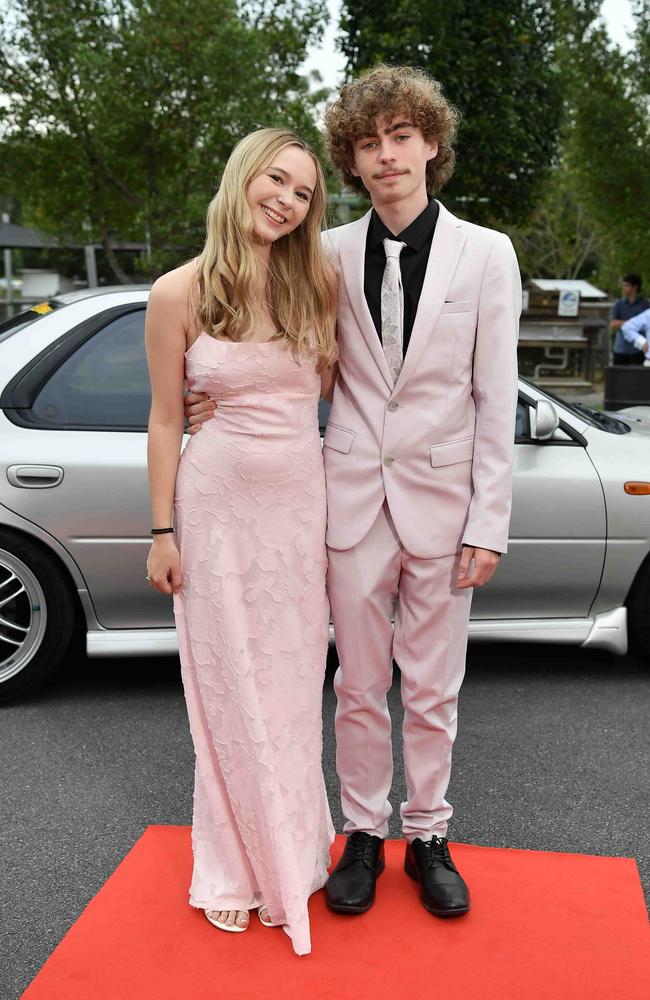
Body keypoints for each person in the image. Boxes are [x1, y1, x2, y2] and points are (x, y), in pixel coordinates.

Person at [186, 65, 521, 920]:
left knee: (434, 688)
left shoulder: (487, 254)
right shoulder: (324, 250)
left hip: (445, 511)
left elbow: (493, 396)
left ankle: (431, 836)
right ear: (353, 158)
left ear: (430, 145)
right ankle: (365, 834)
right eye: (368, 144)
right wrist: (209, 390)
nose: (385, 157)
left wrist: (490, 521)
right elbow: (270, 337)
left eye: (401, 138)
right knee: (359, 686)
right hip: (347, 506)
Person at [145, 127, 337, 956]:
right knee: (227, 691)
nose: (287, 202)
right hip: (215, 511)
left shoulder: (315, 286)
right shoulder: (177, 291)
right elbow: (161, 417)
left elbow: (321, 397)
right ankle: (230, 864)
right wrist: (161, 530)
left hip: (299, 511)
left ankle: (291, 854)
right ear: (242, 177)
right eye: (277, 180)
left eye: (303, 193)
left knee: (293, 691)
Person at [610, 273, 649, 365]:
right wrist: (634, 324)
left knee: (638, 378)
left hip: (638, 349)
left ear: (635, 287)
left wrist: (624, 323)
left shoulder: (644, 304)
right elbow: (613, 323)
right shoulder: (619, 304)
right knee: (619, 377)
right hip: (621, 348)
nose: (624, 288)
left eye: (626, 285)